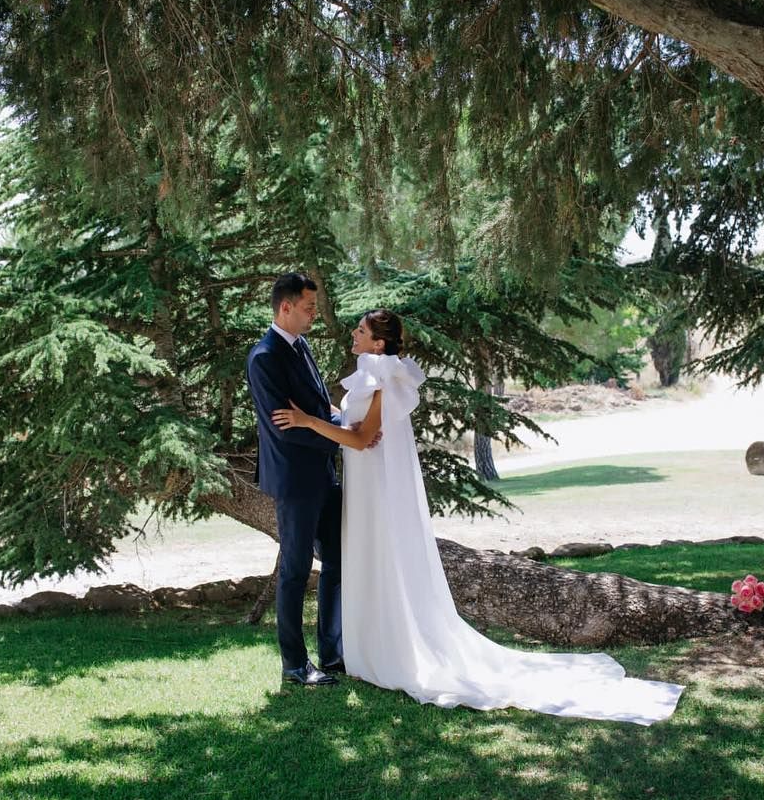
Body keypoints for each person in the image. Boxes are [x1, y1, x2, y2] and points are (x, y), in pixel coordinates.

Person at [272, 309, 685, 723]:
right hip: (363, 487)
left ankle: (386, 648)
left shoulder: (385, 379)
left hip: (374, 489)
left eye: (360, 331)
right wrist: (333, 415)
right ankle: (365, 646)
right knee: (366, 561)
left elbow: (362, 439)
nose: (353, 334)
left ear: (378, 343)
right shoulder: (372, 373)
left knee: (380, 559)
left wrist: (308, 421)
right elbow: (357, 423)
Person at [245, 273, 345, 686]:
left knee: (338, 562)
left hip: (323, 477)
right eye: (308, 309)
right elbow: (286, 428)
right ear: (285, 307)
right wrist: (341, 441)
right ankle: (294, 664)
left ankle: (333, 653)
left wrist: (345, 424)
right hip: (295, 481)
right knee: (295, 570)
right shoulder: (264, 357)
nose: (313, 317)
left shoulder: (302, 346)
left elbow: (318, 408)